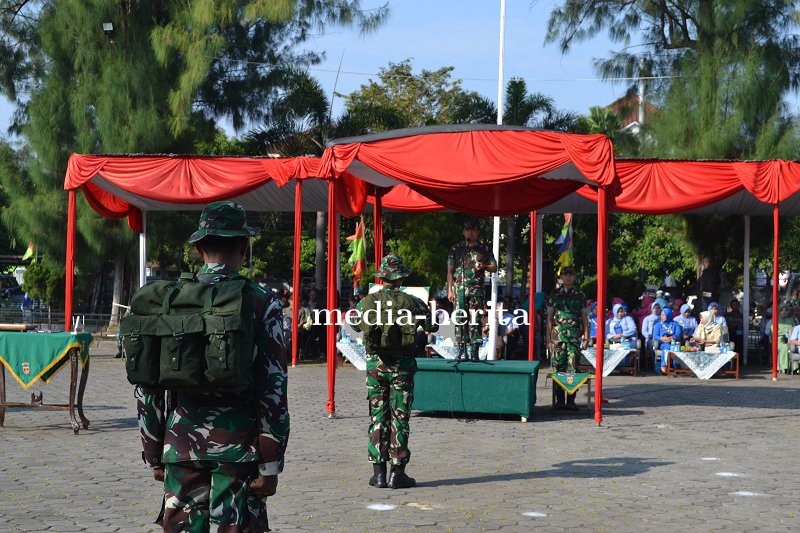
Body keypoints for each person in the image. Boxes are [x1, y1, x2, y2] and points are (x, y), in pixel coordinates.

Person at [136, 201, 289, 532]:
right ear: (244, 246)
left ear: (198, 247)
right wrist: (271, 462)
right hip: (240, 452)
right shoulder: (262, 302)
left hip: (179, 446)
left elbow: (148, 386)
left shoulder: (169, 300)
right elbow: (273, 388)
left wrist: (154, 452)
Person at [353, 254, 437, 489]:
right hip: (403, 370)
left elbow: (355, 324)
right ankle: (397, 474)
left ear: (381, 278)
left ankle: (378, 474)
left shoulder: (367, 301)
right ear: (400, 279)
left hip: (376, 368)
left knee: (378, 418)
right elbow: (432, 326)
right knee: (400, 419)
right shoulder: (413, 301)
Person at [446, 219, 498, 360]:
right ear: (464, 232)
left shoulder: (484, 249)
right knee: (460, 318)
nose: (470, 232)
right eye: (467, 230)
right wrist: (450, 290)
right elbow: (450, 270)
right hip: (459, 289)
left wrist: (485, 267)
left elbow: (494, 267)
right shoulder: (456, 249)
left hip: (476, 290)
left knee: (475, 318)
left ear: (477, 232)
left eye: (473, 230)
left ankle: (475, 350)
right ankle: (462, 350)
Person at [546, 265, 589, 411]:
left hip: (575, 337)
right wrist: (548, 340)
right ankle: (559, 400)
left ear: (574, 277)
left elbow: (584, 317)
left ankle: (571, 400)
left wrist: (586, 338)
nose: (568, 277)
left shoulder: (580, 295)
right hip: (558, 337)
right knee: (558, 368)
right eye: (565, 275)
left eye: (571, 275)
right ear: (561, 277)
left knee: (573, 368)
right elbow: (550, 318)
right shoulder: (554, 294)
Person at [654, 308, 682, 374]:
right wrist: (662, 338)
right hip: (663, 343)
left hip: (673, 342)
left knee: (674, 347)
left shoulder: (675, 323)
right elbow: (655, 335)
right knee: (667, 346)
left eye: (664, 315)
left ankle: (675, 366)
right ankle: (663, 366)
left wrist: (672, 337)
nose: (662, 316)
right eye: (661, 314)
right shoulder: (658, 324)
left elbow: (678, 333)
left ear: (668, 315)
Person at [641, 301, 662, 369]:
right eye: (654, 308)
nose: (656, 309)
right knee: (652, 345)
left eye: (658, 308)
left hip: (661, 337)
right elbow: (643, 331)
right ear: (651, 309)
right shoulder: (647, 318)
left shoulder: (662, 318)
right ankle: (654, 362)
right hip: (650, 338)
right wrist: (650, 336)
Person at [776, 304, 795, 373]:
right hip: (779, 340)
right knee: (785, 347)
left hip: (790, 339)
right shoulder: (776, 320)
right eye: (782, 310)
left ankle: (795, 368)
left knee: (794, 346)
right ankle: (785, 367)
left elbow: (795, 330)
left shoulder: (791, 320)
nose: (783, 312)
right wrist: (786, 331)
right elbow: (774, 331)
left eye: (785, 310)